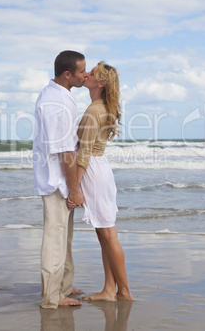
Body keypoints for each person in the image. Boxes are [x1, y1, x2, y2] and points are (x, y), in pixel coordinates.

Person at [68, 62, 133, 301]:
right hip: (99, 168)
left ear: (101, 83)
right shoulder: (99, 106)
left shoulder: (95, 110)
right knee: (103, 234)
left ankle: (124, 292)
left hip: (93, 170)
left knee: (108, 234)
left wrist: (75, 189)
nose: (87, 74)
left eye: (92, 73)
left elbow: (84, 152)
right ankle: (109, 289)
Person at [33, 50, 87, 309]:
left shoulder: (60, 95)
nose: (85, 75)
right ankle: (51, 298)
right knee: (55, 239)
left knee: (65, 237)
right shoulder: (56, 103)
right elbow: (65, 152)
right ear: (67, 75)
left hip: (61, 181)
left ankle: (63, 286)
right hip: (56, 181)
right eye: (81, 72)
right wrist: (74, 189)